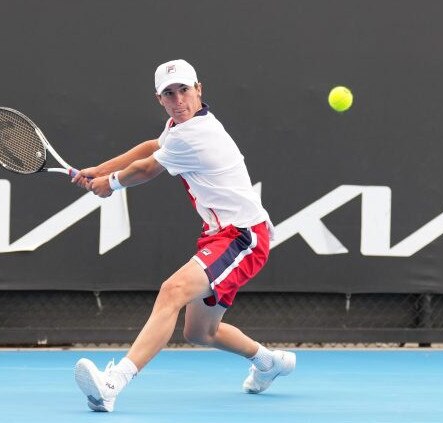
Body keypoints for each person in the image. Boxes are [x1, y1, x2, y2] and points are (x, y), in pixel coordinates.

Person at [71, 59, 296, 412]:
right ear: (159, 99)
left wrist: (110, 184)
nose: (178, 100)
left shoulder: (196, 133)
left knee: (171, 291)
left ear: (199, 90)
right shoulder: (179, 126)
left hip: (242, 237)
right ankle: (269, 363)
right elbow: (151, 146)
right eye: (169, 94)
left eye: (184, 91)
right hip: (220, 234)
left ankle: (113, 384)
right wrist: (101, 168)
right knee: (199, 332)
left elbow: (148, 168)